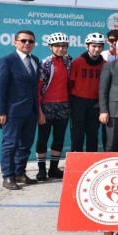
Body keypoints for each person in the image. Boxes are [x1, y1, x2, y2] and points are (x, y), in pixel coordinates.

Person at [0, 30, 41, 190]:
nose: (27, 43)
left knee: (25, 145)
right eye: (23, 40)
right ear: (15, 42)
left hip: (31, 112)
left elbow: (35, 88)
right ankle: (8, 176)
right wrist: (0, 111)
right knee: (10, 145)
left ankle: (20, 173)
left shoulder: (35, 60)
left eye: (31, 41)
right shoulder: (7, 61)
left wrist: (38, 110)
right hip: (12, 112)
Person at [36, 32, 72, 181]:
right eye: (57, 46)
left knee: (59, 139)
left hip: (63, 105)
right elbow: (38, 89)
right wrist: (39, 111)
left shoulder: (69, 61)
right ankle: (41, 170)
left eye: (64, 46)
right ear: (50, 47)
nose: (61, 49)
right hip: (46, 106)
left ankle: (53, 169)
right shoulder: (45, 63)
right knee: (42, 138)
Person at [69, 32, 106, 153]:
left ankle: (91, 160)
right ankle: (76, 159)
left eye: (100, 46)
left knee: (93, 134)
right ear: (87, 46)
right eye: (94, 46)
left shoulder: (105, 64)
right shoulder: (77, 62)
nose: (97, 49)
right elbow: (70, 83)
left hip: (96, 103)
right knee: (77, 133)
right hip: (78, 102)